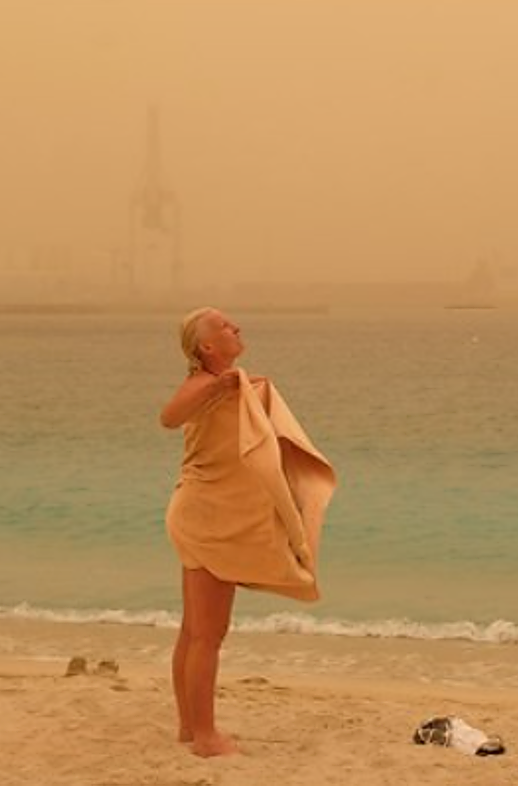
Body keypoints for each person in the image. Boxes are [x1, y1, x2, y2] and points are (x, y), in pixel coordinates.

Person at [160, 307, 336, 758]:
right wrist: (218, 385)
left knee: (193, 629)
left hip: (208, 514)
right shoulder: (203, 384)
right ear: (206, 347)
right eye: (223, 326)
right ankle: (205, 737)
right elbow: (169, 416)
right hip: (208, 518)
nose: (235, 327)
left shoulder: (237, 384)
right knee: (207, 634)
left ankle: (187, 727)